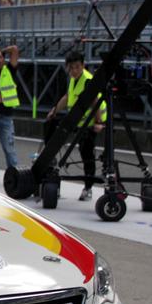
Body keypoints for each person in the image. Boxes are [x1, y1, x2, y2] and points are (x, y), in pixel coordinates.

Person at [45, 50, 107, 201]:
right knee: (51, 125)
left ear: (83, 65)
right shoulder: (73, 79)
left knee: (87, 153)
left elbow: (95, 103)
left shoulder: (87, 80)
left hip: (91, 121)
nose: (74, 70)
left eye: (77, 67)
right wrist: (54, 111)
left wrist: (98, 123)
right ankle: (50, 161)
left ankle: (88, 188)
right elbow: (68, 97)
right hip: (77, 120)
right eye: (71, 68)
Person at [0, 45, 21, 184]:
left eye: (1, 57)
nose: (0, 60)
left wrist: (1, 51)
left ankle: (14, 175)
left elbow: (15, 49)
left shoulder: (9, 69)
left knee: (9, 148)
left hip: (6, 115)